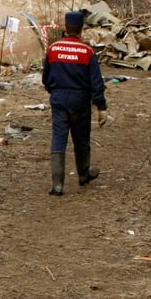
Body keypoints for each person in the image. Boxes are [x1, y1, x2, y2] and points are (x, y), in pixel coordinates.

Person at [42, 10, 110, 196]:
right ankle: (83, 174)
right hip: (80, 100)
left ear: (66, 27)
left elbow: (45, 77)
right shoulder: (87, 52)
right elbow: (97, 83)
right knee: (81, 138)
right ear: (81, 28)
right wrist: (101, 107)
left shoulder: (53, 49)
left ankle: (57, 185)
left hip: (58, 98)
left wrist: (53, 91)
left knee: (58, 138)